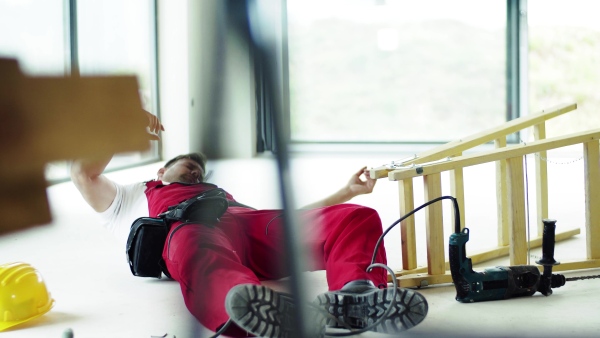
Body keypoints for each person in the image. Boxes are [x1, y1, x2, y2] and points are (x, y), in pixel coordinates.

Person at [70, 111, 428, 337]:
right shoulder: (130, 197)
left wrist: (345, 193)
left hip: (246, 228)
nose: (195, 169)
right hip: (188, 233)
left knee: (357, 217)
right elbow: (82, 173)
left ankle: (358, 294)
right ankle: (250, 311)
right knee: (198, 249)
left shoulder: (220, 193)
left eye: (199, 169)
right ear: (161, 171)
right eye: (185, 166)